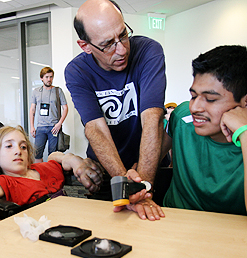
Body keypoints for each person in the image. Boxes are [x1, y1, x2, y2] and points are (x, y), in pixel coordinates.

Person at [64, 0, 166, 221]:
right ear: (86, 46)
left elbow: (153, 119)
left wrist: (142, 189)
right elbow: (95, 129)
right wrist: (125, 186)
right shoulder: (77, 71)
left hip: (148, 167)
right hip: (109, 172)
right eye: (108, 44)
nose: (121, 49)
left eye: (123, 35)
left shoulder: (149, 51)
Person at [161, 45, 247, 215]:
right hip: (173, 224)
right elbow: (146, 164)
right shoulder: (182, 117)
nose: (195, 107)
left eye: (210, 99)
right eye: (193, 96)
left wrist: (244, 132)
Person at [0, 125, 103, 205]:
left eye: (23, 147)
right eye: (9, 146)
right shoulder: (6, 182)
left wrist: (73, 160)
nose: (18, 151)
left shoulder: (42, 169)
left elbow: (54, 157)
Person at [30, 67, 68, 163]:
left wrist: (59, 123)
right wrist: (32, 126)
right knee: (37, 153)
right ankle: (40, 174)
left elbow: (65, 108)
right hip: (40, 127)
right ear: (41, 78)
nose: (49, 79)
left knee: (53, 154)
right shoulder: (36, 92)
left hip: (54, 127)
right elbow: (32, 109)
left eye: (51, 77)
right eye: (46, 77)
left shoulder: (57, 91)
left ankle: (54, 175)